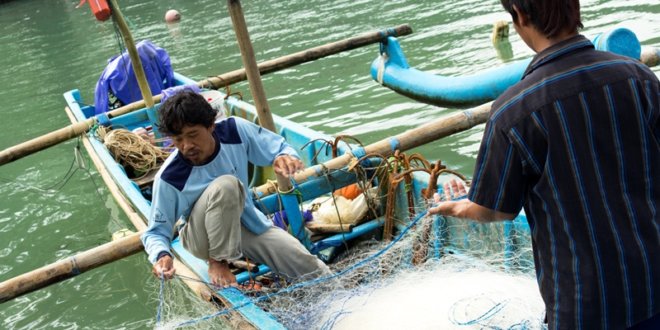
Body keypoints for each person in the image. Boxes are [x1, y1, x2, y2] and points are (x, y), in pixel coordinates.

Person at [429, 0, 659, 329]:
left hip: (585, 306)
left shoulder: (512, 112)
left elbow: (496, 210)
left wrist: (457, 207)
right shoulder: (639, 78)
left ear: (520, 16)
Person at [141, 90, 330, 288]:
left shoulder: (234, 130)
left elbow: (279, 147)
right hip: (201, 238)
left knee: (309, 266)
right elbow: (155, 233)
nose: (187, 145)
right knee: (227, 185)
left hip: (246, 222)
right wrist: (162, 256)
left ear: (211, 126)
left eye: (193, 135)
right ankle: (218, 261)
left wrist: (285, 157)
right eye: (178, 139)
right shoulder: (170, 177)